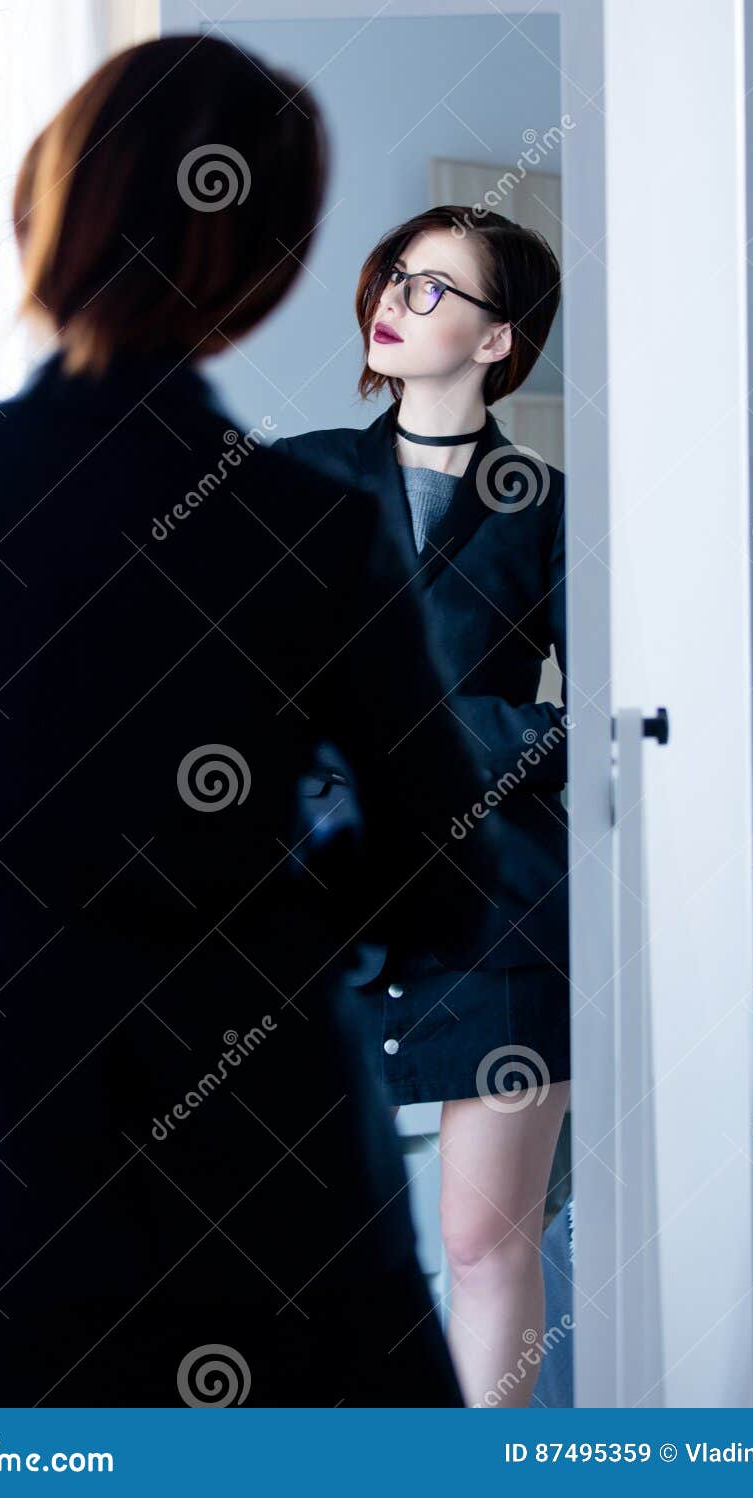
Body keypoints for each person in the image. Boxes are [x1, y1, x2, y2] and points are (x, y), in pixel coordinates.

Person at [0, 39, 504, 1407]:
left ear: (44, 208)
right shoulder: (310, 524)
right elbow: (443, 876)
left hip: (1, 1206)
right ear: (268, 268)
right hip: (289, 1211)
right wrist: (253, 909)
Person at [271, 205, 571, 1407]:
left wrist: (443, 735)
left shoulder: (549, 504)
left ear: (498, 339)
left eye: (435, 288)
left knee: (481, 1244)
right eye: (396, 276)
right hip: (315, 908)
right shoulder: (295, 476)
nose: (395, 299)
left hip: (499, 912)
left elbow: (605, 712)